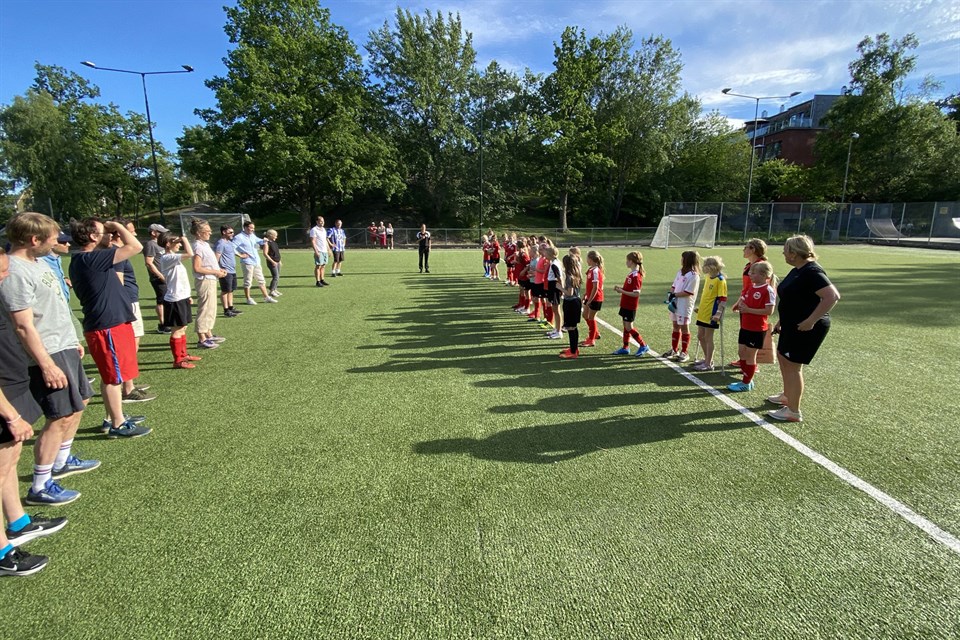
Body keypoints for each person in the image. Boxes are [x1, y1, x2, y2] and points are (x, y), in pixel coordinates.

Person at [0, 213, 94, 505]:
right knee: (59, 414)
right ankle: (40, 485)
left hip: (63, 345)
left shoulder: (39, 262)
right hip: (47, 351)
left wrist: (72, 339)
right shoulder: (14, 271)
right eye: (52, 238)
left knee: (79, 403)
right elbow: (23, 325)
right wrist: (47, 364)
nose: (57, 242)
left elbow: (56, 305)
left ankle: (62, 460)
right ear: (34, 240)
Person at [0, 246, 67, 576]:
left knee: (9, 462)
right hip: (3, 398)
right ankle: (2, 552)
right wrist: (10, 415)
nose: (6, 276)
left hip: (12, 386)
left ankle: (18, 522)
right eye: (1, 272)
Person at [70, 217, 153, 438]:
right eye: (104, 231)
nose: (110, 235)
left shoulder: (89, 258)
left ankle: (113, 417)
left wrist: (109, 233)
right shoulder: (89, 259)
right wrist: (117, 225)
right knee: (112, 378)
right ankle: (117, 424)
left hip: (112, 323)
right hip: (106, 326)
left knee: (113, 375)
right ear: (92, 236)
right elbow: (136, 246)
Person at [767, 235, 840, 422]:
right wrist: (781, 321)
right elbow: (792, 299)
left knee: (793, 366)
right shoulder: (797, 270)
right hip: (791, 324)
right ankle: (787, 396)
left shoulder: (812, 271)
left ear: (794, 253)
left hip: (805, 328)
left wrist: (811, 320)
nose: (783, 253)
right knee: (783, 358)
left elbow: (832, 296)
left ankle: (793, 411)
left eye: (786, 250)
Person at [103, 218, 155, 403]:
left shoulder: (116, 252)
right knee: (129, 345)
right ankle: (127, 388)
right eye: (131, 231)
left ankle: (129, 383)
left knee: (133, 344)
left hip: (130, 301)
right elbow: (118, 283)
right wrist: (125, 306)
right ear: (120, 233)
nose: (134, 234)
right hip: (127, 303)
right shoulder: (116, 253)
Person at [728, 261, 776, 392]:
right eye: (750, 272)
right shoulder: (751, 287)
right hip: (745, 326)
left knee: (750, 356)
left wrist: (748, 310)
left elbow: (769, 311)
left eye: (753, 273)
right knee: (741, 352)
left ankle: (746, 382)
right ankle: (746, 378)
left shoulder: (768, 290)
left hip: (757, 329)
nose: (750, 275)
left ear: (763, 275)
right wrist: (739, 305)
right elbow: (745, 299)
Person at [158, 231, 202, 369]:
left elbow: (180, 280)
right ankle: (178, 360)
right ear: (168, 244)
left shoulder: (172, 257)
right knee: (177, 330)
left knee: (183, 327)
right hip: (174, 299)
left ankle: (183, 355)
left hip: (181, 297)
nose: (180, 245)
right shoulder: (167, 258)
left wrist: (187, 295)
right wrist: (184, 239)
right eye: (177, 242)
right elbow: (190, 254)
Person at [730, 238, 769, 369]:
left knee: (753, 332)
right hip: (746, 303)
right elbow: (746, 288)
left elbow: (765, 286)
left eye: (746, 247)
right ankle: (745, 360)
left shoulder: (761, 266)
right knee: (745, 332)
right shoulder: (748, 265)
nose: (744, 249)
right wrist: (739, 301)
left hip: (754, 305)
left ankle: (751, 363)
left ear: (753, 250)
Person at [191, 218, 227, 350]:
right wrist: (215, 272)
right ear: (199, 233)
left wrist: (218, 270)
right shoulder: (197, 246)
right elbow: (197, 268)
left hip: (211, 279)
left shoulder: (205, 245)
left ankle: (208, 334)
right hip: (204, 280)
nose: (210, 233)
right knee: (205, 308)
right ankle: (202, 339)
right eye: (207, 231)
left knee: (211, 308)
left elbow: (208, 263)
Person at [662, 250, 701, 363]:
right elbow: (674, 285)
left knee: (684, 327)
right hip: (675, 303)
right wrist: (671, 294)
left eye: (683, 258)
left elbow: (688, 292)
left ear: (687, 260)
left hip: (684, 306)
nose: (681, 260)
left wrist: (674, 295)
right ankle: (674, 349)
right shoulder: (680, 272)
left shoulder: (694, 276)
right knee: (675, 326)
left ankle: (685, 352)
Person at [692, 256, 727, 372]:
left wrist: (718, 313)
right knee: (700, 336)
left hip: (711, 313)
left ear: (712, 267)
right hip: (703, 312)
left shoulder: (720, 280)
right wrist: (700, 308)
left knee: (708, 337)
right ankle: (707, 358)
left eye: (705, 265)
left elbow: (722, 299)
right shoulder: (708, 277)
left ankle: (708, 363)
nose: (703, 268)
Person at [612, 251, 650, 357]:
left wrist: (621, 291)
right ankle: (625, 347)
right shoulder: (631, 274)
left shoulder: (636, 276)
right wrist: (621, 289)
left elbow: (636, 293)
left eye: (627, 260)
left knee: (629, 327)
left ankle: (643, 345)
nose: (626, 262)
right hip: (625, 304)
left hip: (630, 305)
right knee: (625, 326)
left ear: (631, 261)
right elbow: (629, 289)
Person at [233, 221, 276, 304]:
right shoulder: (239, 237)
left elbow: (258, 240)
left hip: (256, 261)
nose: (252, 230)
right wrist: (240, 255)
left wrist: (264, 240)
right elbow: (232, 247)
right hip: (247, 262)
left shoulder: (252, 235)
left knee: (261, 280)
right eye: (251, 228)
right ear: (245, 227)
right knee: (248, 281)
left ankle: (266, 297)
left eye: (253, 228)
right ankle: (248, 298)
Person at [143, 223, 171, 333]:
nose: (163, 234)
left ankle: (168, 321)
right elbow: (149, 262)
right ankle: (163, 324)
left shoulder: (161, 244)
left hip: (166, 276)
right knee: (161, 300)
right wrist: (160, 275)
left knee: (167, 299)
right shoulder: (150, 244)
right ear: (153, 233)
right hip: (158, 277)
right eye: (160, 232)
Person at [558, 255, 583, 359]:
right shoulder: (577, 273)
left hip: (571, 303)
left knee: (571, 327)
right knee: (572, 327)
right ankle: (574, 348)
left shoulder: (569, 276)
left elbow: (569, 292)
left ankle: (573, 352)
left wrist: (560, 288)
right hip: (575, 302)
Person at [214, 225, 241, 317]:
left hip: (232, 270)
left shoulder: (229, 242)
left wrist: (241, 255)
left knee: (230, 290)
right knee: (225, 290)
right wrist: (218, 269)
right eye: (230, 232)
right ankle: (226, 310)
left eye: (233, 232)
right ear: (224, 232)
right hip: (225, 271)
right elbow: (216, 257)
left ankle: (231, 308)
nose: (232, 234)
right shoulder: (221, 243)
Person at [580, 250, 604, 347]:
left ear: (590, 259)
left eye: (587, 258)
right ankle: (595, 333)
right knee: (585, 315)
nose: (586, 260)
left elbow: (595, 287)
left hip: (595, 298)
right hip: (590, 297)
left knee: (591, 318)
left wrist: (589, 300)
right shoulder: (591, 269)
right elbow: (590, 286)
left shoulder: (595, 271)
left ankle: (591, 340)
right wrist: (586, 294)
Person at [40, 231, 72, 302]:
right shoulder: (41, 261)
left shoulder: (57, 258)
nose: (68, 244)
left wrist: (64, 279)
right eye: (63, 242)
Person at [543, 246, 563, 340]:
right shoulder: (553, 263)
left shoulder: (554, 264)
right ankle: (556, 329)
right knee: (555, 309)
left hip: (554, 288)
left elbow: (559, 278)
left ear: (550, 254)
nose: (544, 254)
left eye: (546, 253)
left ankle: (559, 331)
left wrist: (561, 290)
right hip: (552, 287)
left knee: (556, 310)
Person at [309, 216, 331, 287]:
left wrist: (329, 249)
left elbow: (325, 240)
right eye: (321, 221)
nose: (322, 222)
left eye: (323, 221)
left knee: (323, 265)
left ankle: (322, 280)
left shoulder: (323, 229)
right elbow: (313, 241)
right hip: (319, 250)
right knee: (318, 266)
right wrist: (316, 251)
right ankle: (317, 281)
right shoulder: (314, 230)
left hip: (324, 250)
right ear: (317, 221)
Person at [262, 229, 282, 298]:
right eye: (275, 235)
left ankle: (275, 289)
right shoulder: (267, 243)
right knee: (275, 276)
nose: (276, 237)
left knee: (278, 276)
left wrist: (279, 261)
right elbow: (265, 254)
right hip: (272, 262)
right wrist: (272, 261)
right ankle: (271, 291)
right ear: (270, 235)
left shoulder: (274, 243)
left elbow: (276, 252)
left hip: (277, 262)